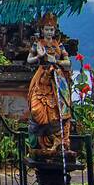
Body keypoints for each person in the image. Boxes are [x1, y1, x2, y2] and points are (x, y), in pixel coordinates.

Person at [25, 11, 74, 155]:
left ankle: (57, 141)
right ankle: (42, 141)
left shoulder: (59, 45)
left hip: (56, 80)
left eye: (51, 29)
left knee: (57, 111)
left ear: (55, 30)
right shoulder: (37, 44)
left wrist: (57, 61)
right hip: (41, 78)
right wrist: (39, 57)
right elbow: (29, 60)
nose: (49, 32)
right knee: (36, 109)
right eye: (46, 29)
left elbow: (68, 62)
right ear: (42, 30)